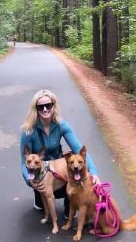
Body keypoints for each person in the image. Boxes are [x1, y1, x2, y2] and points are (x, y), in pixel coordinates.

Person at [20, 89, 100, 218]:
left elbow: (79, 150)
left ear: (53, 105)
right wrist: (31, 182)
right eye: (41, 106)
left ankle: (70, 204)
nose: (45, 109)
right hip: (38, 171)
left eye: (48, 105)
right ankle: (39, 197)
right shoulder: (28, 131)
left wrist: (94, 173)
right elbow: (23, 162)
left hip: (57, 168)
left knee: (73, 176)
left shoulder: (61, 125)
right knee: (41, 201)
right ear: (35, 109)